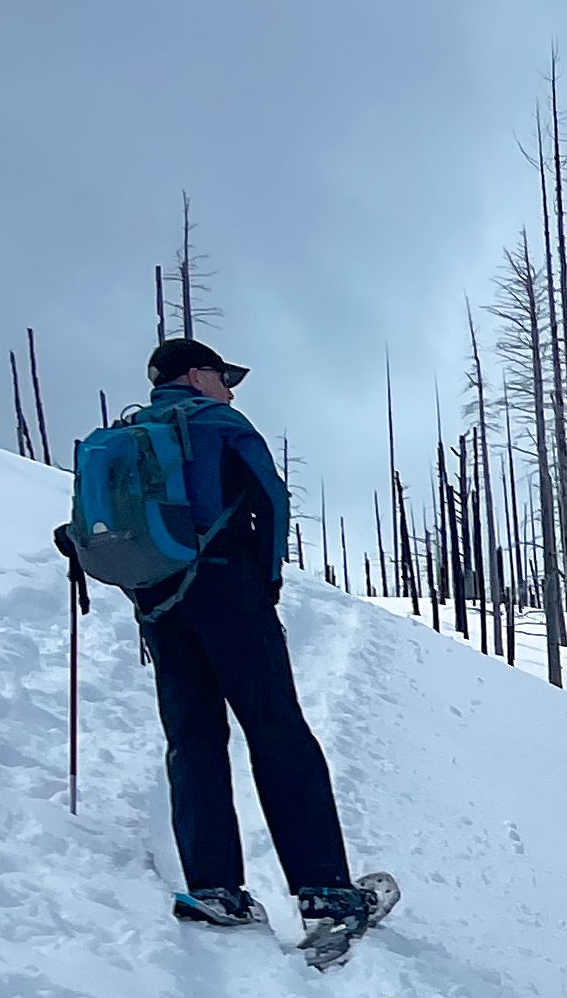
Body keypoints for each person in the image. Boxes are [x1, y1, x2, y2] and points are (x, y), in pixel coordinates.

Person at [122, 336, 386, 947]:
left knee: (193, 741)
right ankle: (324, 892)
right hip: (228, 594)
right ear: (195, 374)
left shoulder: (132, 436)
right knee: (276, 730)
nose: (231, 386)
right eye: (222, 374)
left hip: (160, 608)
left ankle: (216, 889)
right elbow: (270, 498)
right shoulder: (219, 423)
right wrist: (264, 584)